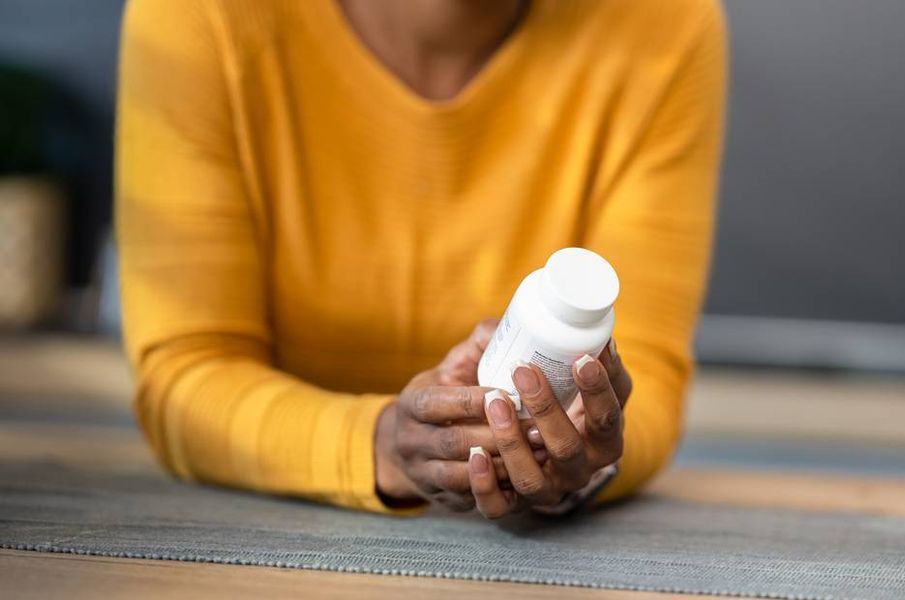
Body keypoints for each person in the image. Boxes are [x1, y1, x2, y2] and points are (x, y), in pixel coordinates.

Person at [117, 0, 725, 518]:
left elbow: (646, 377)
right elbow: (187, 375)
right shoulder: (206, 18)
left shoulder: (662, 24)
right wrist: (383, 443)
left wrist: (579, 460)